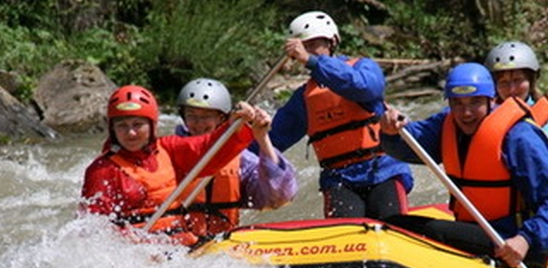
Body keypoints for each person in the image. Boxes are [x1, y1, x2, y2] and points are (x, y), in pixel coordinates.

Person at [379, 63, 548, 268]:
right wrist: (390, 132)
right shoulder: (447, 124)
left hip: (514, 239)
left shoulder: (519, 138)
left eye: (475, 102)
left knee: (424, 229)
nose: (466, 113)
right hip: (476, 230)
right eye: (458, 103)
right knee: (395, 224)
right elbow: (409, 144)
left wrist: (526, 239)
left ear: (491, 100)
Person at [80, 84, 271, 246]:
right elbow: (92, 228)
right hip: (139, 253)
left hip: (180, 247)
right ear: (112, 129)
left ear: (152, 125)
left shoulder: (169, 149)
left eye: (138, 124)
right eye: (122, 125)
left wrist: (237, 126)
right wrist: (129, 244)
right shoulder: (102, 170)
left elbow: (209, 148)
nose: (130, 133)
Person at [269, 10, 413, 219]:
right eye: (303, 47)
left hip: (383, 171)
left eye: (312, 45)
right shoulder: (304, 98)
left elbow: (366, 89)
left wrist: (313, 62)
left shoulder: (363, 68)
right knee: (345, 232)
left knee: (395, 224)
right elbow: (272, 140)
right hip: (340, 180)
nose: (306, 52)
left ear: (332, 42)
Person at [174, 77, 297, 236]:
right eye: (191, 115)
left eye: (206, 116)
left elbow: (278, 198)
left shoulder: (240, 160)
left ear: (221, 119)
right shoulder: (169, 154)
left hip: (220, 247)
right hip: (177, 246)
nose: (198, 123)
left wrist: (262, 138)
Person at [485, 41, 548, 210]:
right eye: (504, 82)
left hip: (530, 210)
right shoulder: (484, 114)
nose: (512, 89)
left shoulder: (544, 122)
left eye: (518, 80)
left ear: (531, 80)